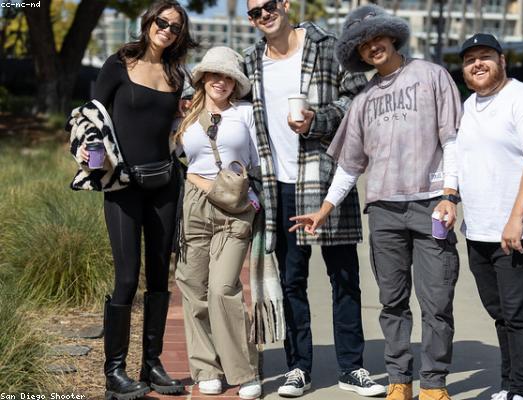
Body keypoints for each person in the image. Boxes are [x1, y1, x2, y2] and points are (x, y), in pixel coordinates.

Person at [290, 5, 462, 400]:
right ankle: (400, 380)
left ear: (392, 36)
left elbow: (452, 140)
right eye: (362, 45)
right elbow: (350, 166)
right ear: (358, 54)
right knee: (392, 302)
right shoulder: (363, 100)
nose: (372, 47)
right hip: (384, 211)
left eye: (376, 38)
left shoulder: (431, 75)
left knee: (437, 301)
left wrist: (450, 195)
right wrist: (324, 209)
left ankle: (434, 384)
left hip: (431, 205)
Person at [243, 0, 385, 397]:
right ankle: (298, 368)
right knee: (292, 281)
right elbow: (217, 93)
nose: (263, 15)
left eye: (269, 6)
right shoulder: (251, 60)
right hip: (278, 185)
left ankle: (352, 368)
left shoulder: (328, 47)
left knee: (344, 278)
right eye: (254, 12)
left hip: (325, 179)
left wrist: (317, 121)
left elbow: (357, 98)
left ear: (285, 4)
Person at [84, 1, 195, 398]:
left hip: (164, 184)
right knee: (127, 278)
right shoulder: (119, 63)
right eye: (162, 22)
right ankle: (114, 372)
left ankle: (152, 365)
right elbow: (93, 118)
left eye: (175, 27)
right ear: (148, 22)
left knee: (160, 277)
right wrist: (92, 160)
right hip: (123, 186)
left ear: (180, 35)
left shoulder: (176, 74)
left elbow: (180, 124)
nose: (167, 29)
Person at [457, 33, 523, 400]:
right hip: (479, 229)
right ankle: (509, 385)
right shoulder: (469, 106)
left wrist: (517, 218)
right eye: (470, 60)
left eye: (485, 56)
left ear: (502, 60)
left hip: (520, 229)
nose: (477, 64)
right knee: (500, 312)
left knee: (518, 313)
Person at [173, 46, 262, 400]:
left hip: (235, 208)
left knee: (223, 289)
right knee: (194, 289)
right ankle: (207, 368)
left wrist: (255, 197)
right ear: (203, 78)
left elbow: (258, 161)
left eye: (228, 77)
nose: (221, 82)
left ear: (235, 83)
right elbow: (175, 157)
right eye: (215, 75)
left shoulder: (246, 113)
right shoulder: (187, 115)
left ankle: (244, 370)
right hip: (195, 206)